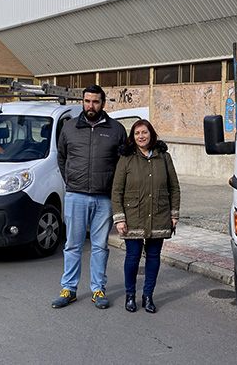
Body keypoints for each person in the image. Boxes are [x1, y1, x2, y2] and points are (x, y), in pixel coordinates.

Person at [52, 84, 127, 309]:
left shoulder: (116, 129)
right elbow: (62, 157)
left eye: (95, 101)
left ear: (103, 103)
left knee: (100, 246)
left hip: (104, 197)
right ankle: (69, 289)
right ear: (82, 102)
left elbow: (122, 163)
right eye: (87, 101)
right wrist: (72, 181)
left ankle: (98, 289)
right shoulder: (70, 128)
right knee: (73, 244)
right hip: (76, 195)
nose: (90, 106)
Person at [111, 120, 180, 313]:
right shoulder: (126, 159)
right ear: (132, 137)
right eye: (137, 133)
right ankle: (130, 295)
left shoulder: (164, 158)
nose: (141, 136)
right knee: (132, 258)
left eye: (144, 132)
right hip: (133, 216)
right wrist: (120, 218)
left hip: (159, 214)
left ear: (151, 134)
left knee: (153, 257)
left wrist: (174, 215)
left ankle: (148, 295)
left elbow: (174, 188)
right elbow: (116, 191)